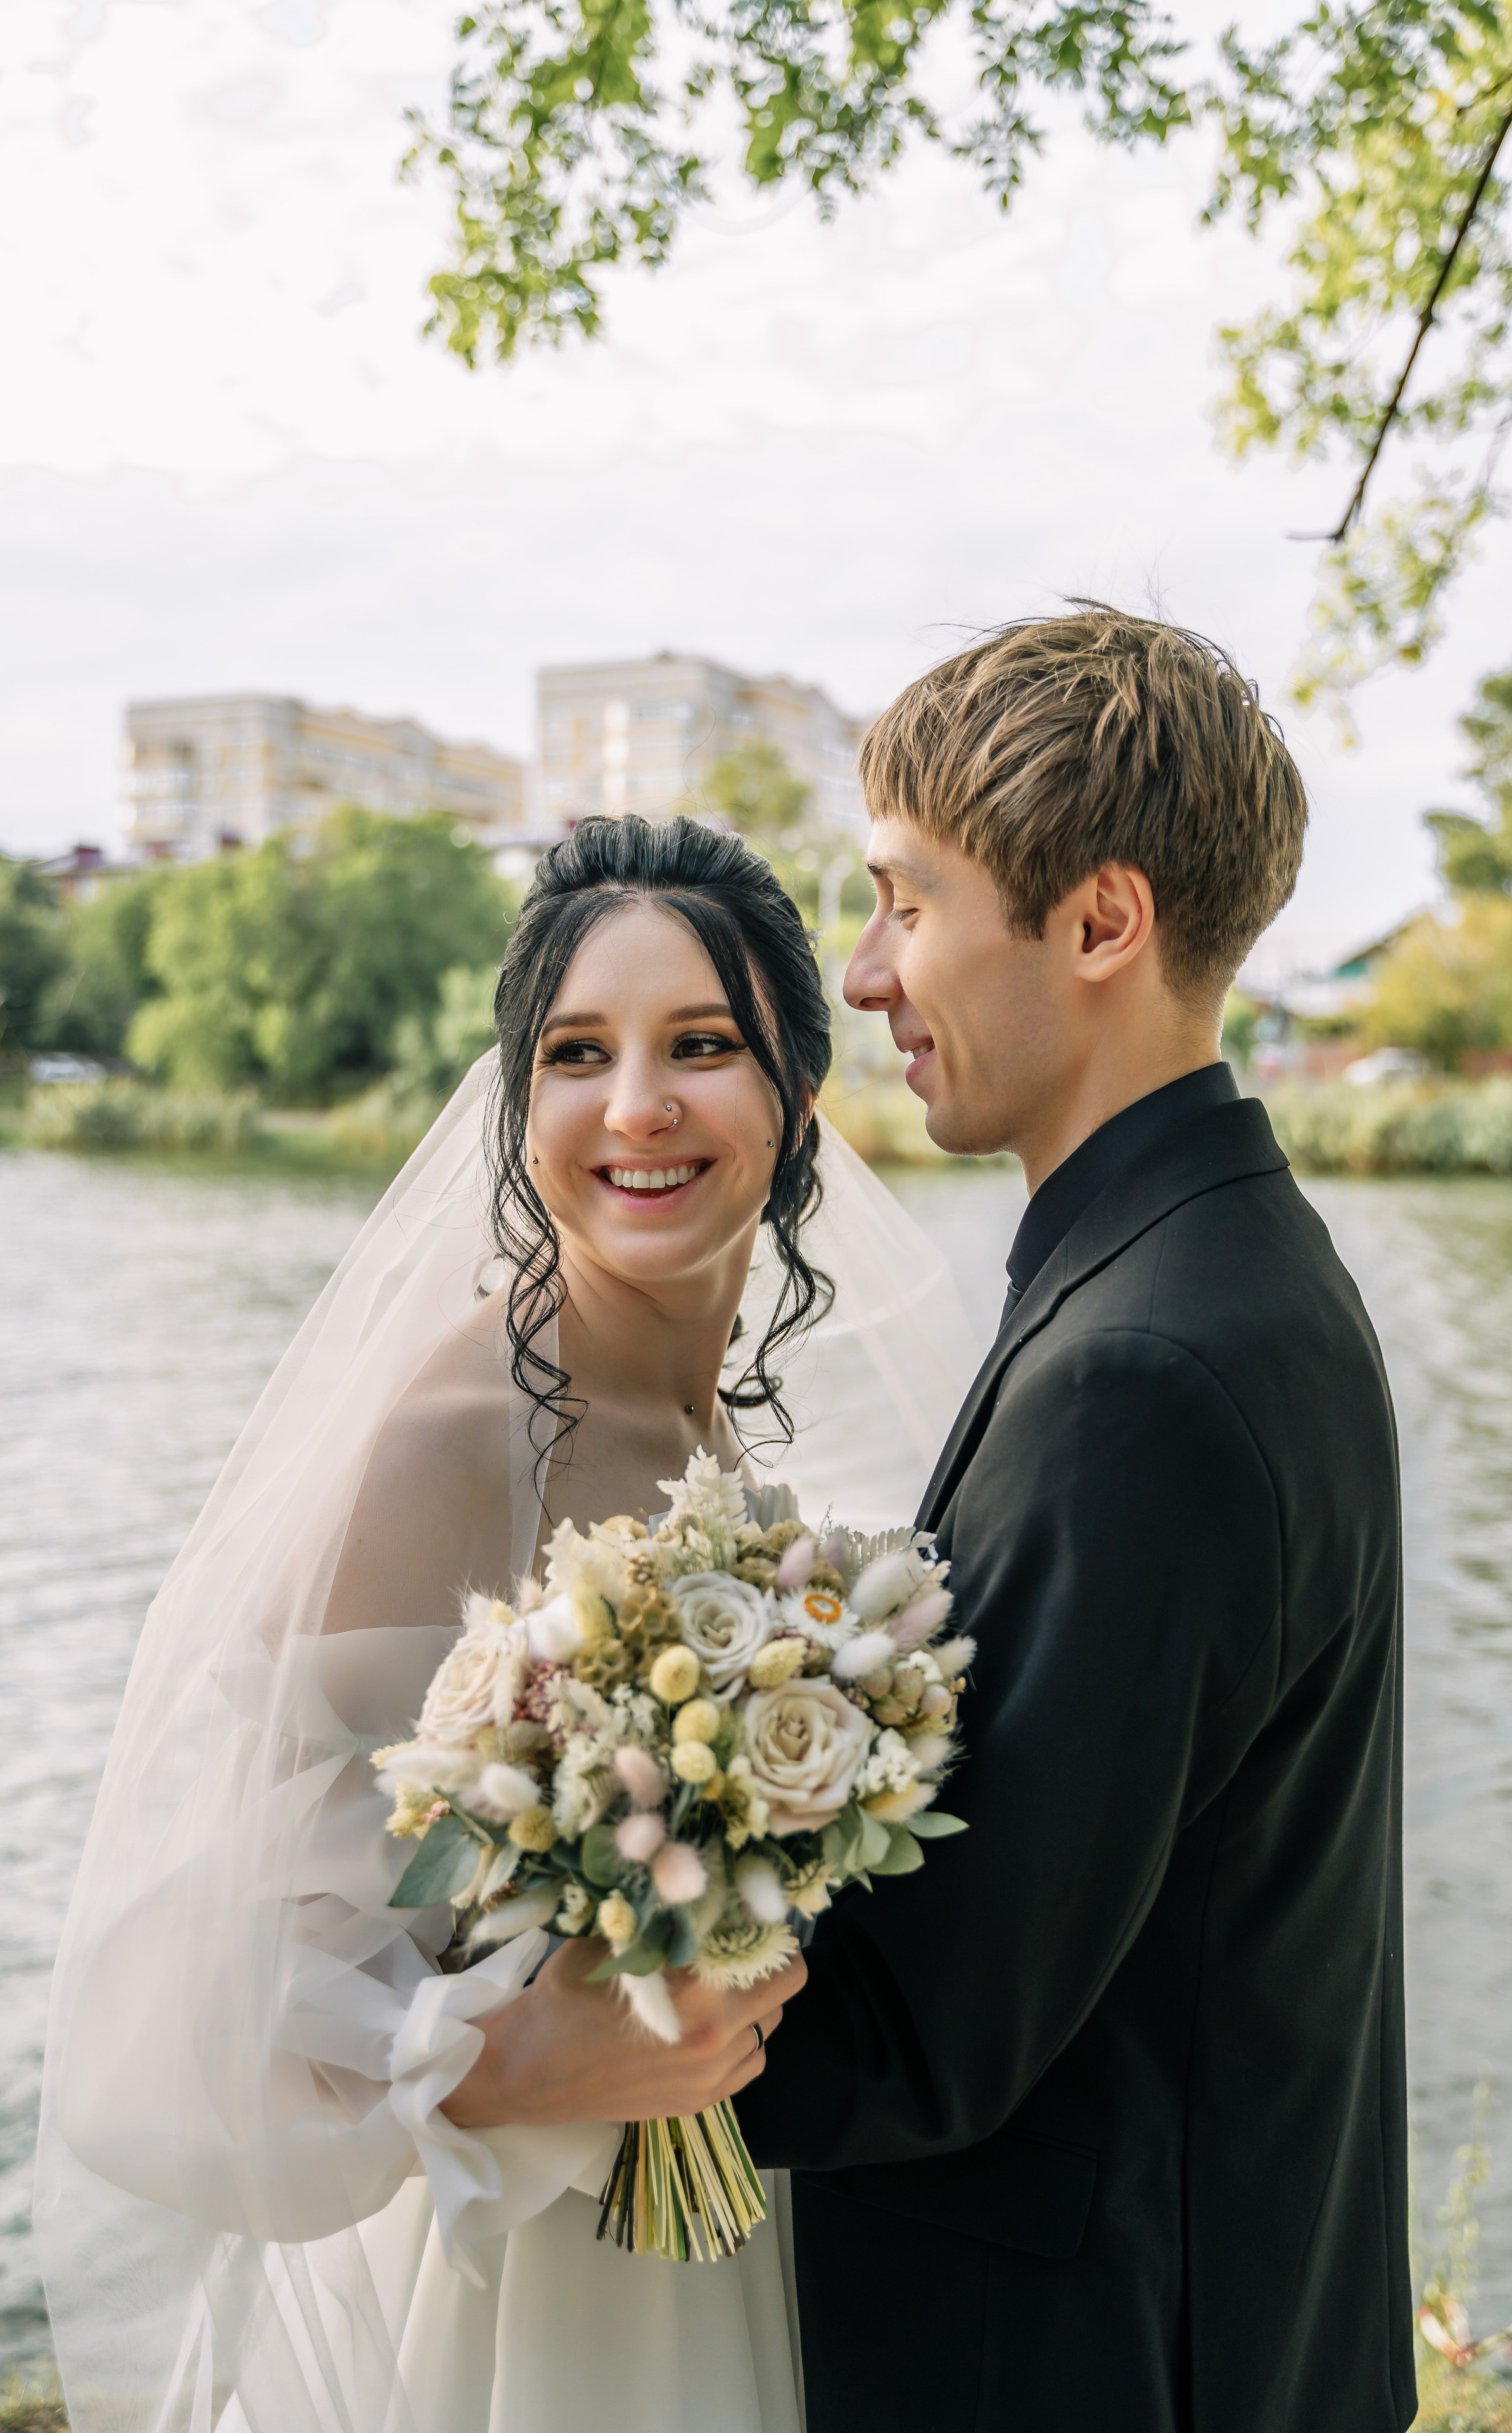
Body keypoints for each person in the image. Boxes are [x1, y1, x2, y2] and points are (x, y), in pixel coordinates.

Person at [35, 814, 976, 2433]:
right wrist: (492, 2064)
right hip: (510, 2298)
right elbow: (183, 1989)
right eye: (574, 1053)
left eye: (700, 1044)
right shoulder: (452, 1434)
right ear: (516, 1103)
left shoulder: (700, 1438)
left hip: (691, 2246)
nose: (634, 1107)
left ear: (798, 1098)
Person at [734, 606, 1416, 2433]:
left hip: (1093, 2368)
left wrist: (544, 2014)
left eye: (904, 899)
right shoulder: (1228, 1266)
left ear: (1101, 922)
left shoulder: (1147, 1368)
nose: (865, 976)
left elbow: (939, 2026)